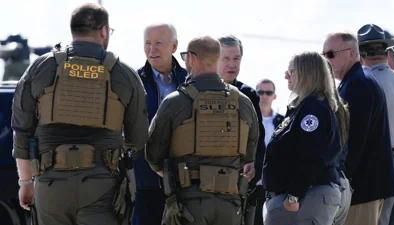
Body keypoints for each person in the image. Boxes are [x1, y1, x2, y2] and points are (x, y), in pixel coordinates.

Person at [11, 3, 149, 225]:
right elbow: (138, 140)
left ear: (73, 29)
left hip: (50, 186)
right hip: (103, 188)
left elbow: (22, 132)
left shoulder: (40, 68)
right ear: (103, 31)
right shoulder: (125, 74)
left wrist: (26, 182)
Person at [145, 35, 259, 225]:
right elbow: (249, 154)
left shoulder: (175, 101)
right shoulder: (243, 103)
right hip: (230, 206)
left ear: (191, 58)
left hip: (187, 204)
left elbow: (153, 155)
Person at [262, 51, 349, 225]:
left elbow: (312, 156)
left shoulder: (312, 108)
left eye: (291, 71)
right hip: (303, 197)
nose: (286, 75)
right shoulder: (306, 106)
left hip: (306, 198)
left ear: (306, 74)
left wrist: (293, 196)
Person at [323, 31, 394, 225]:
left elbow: (353, 142)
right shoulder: (355, 81)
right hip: (366, 186)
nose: (326, 61)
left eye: (330, 54)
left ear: (351, 53)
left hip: (362, 189)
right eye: (323, 55)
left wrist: (340, 182)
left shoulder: (357, 84)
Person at [134, 23, 187, 225]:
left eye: (158, 43)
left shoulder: (190, 82)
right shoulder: (133, 81)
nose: (151, 49)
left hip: (184, 182)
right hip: (145, 182)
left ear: (174, 46)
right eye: (147, 43)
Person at [217, 35, 265, 224]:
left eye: (236, 58)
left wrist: (254, 169)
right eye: (226, 58)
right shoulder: (195, 91)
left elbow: (258, 139)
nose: (232, 65)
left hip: (238, 187)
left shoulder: (248, 95)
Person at [357, 24, 394, 225]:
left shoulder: (364, 84)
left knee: (379, 220)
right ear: (386, 51)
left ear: (360, 53)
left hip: (381, 160)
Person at [253, 78, 283, 225]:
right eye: (260, 92)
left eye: (268, 92)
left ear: (274, 96)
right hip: (252, 184)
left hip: (276, 185)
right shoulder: (249, 121)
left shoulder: (284, 122)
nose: (264, 96)